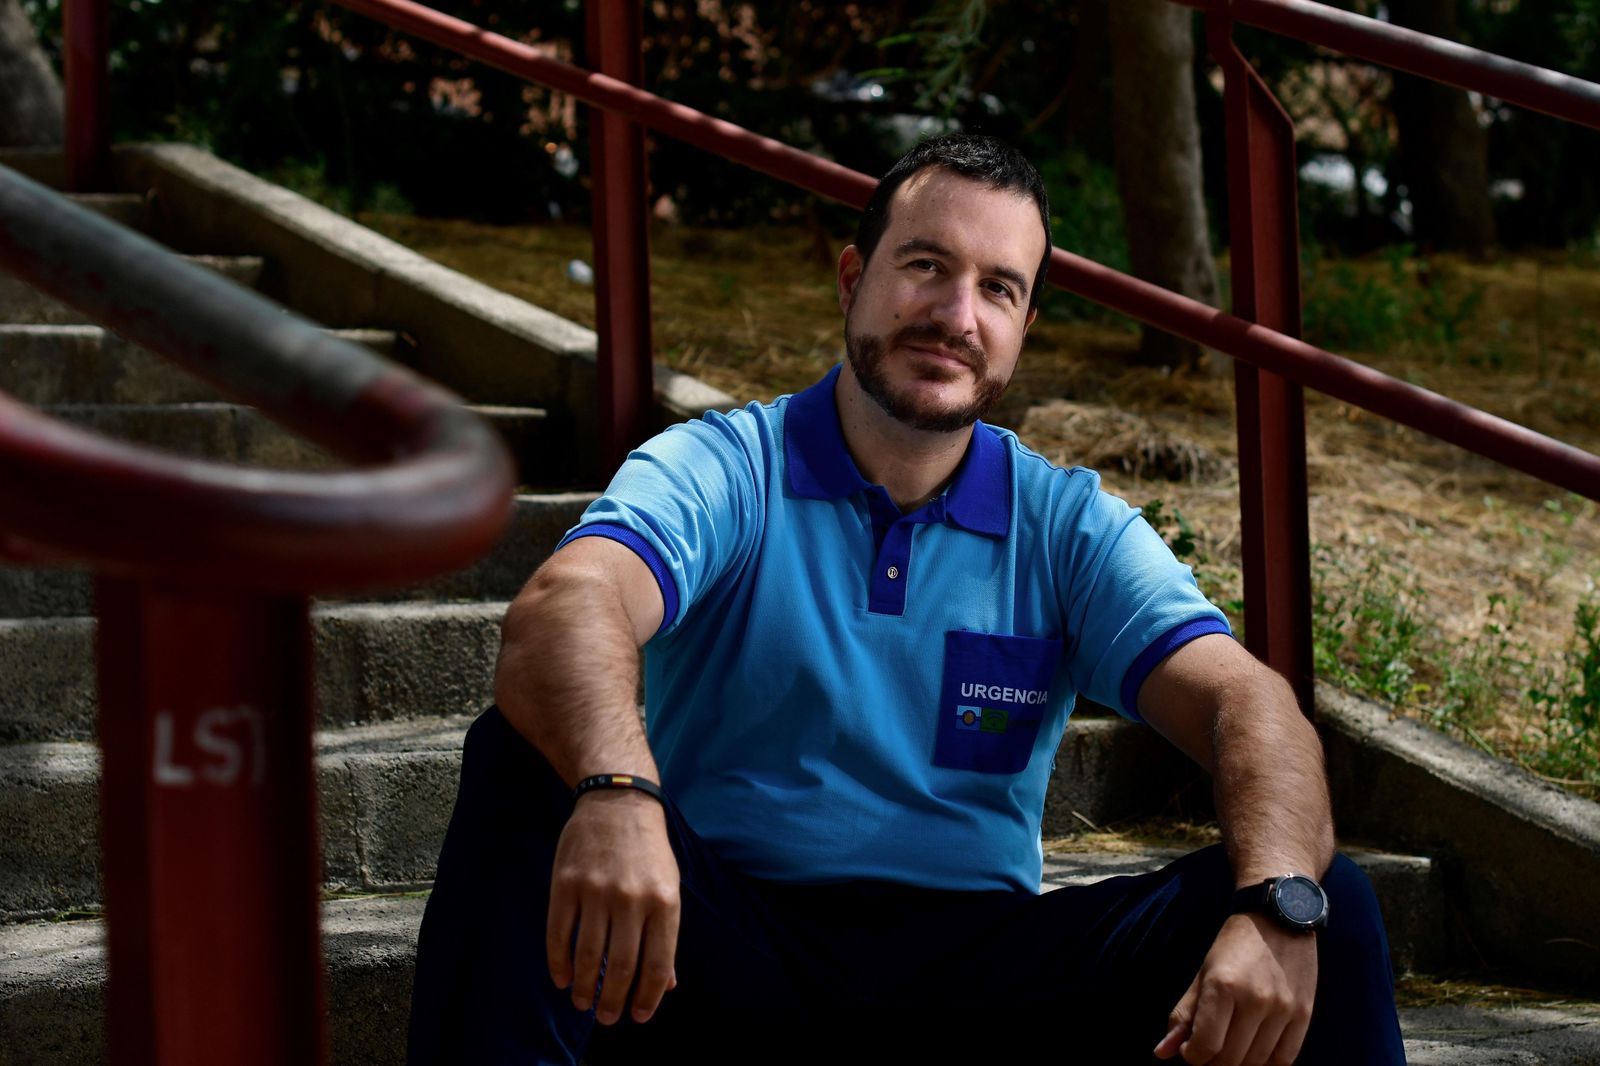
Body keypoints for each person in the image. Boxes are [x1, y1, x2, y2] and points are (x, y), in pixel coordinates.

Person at [407, 134, 1406, 1065]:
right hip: (720, 961)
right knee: (527, 765)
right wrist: (619, 792)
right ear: (854, 278)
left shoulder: (1067, 526)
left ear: (1022, 328)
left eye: (998, 289)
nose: (956, 315)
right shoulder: (727, 467)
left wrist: (1275, 901)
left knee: (1318, 903)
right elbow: (569, 603)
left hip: (985, 984)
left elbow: (1249, 704)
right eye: (926, 265)